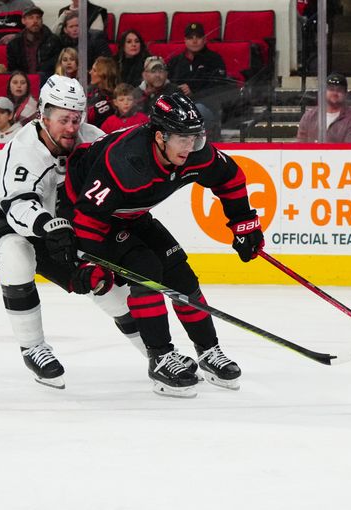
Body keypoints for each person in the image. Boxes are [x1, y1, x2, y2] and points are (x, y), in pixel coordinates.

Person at [59, 92, 262, 396]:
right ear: (159, 137)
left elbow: (230, 178)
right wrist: (90, 262)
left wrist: (244, 223)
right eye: (182, 139)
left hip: (131, 213)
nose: (191, 146)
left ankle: (208, 352)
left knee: (180, 273)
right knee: (146, 270)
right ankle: (160, 358)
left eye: (196, 137)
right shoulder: (124, 164)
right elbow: (86, 219)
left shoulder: (195, 152)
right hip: (88, 216)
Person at [0, 74, 116, 389]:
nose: (71, 126)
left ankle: (158, 355)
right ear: (43, 115)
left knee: (104, 283)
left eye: (76, 118)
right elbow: (18, 208)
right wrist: (50, 226)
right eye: (63, 119)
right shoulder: (23, 148)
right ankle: (33, 347)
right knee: (18, 257)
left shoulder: (92, 138)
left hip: (50, 226)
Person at [167, 22, 230, 140]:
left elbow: (219, 87)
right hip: (179, 105)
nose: (194, 41)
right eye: (190, 38)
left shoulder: (214, 59)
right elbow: (167, 85)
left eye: (198, 37)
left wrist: (193, 90)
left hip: (207, 106)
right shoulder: (175, 62)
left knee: (196, 111)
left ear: (205, 39)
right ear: (185, 40)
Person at [296, 73, 351, 143]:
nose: (335, 93)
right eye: (331, 89)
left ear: (345, 94)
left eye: (339, 90)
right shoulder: (309, 117)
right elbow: (300, 145)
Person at [6, 4, 60, 86]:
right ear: (23, 21)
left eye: (38, 18)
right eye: (31, 18)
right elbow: (13, 68)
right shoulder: (14, 43)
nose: (35, 21)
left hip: (47, 81)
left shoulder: (53, 40)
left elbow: (55, 65)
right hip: (23, 81)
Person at [85, 55, 117, 128]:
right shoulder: (89, 90)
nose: (90, 72)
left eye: (94, 70)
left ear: (103, 74)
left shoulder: (110, 99)